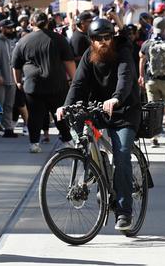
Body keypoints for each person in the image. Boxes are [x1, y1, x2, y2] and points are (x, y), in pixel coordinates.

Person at [57, 18, 141, 230]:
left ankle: (124, 212)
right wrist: (65, 106)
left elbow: (126, 78)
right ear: (91, 40)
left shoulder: (122, 52)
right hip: (99, 110)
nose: (103, 42)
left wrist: (116, 98)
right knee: (79, 132)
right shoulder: (89, 55)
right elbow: (78, 84)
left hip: (124, 111)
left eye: (107, 37)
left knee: (121, 154)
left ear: (113, 37)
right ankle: (96, 167)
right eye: (97, 38)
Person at [11, 11, 76, 153]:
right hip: (56, 84)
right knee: (59, 113)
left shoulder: (23, 41)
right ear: (47, 23)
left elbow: (15, 66)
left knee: (34, 115)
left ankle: (34, 143)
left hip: (33, 85)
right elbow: (69, 62)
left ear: (31, 23)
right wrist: (74, 80)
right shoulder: (59, 39)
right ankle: (68, 140)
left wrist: (18, 82)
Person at [139, 17, 165, 146]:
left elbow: (141, 59)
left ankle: (154, 137)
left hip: (151, 80)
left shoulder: (147, 43)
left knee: (153, 110)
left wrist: (141, 76)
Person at [0, 18, 18, 138]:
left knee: (9, 105)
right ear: (1, 28)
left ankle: (8, 129)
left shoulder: (10, 41)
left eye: (12, 28)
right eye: (8, 28)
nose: (11, 30)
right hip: (0, 80)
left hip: (11, 79)